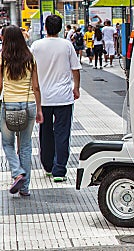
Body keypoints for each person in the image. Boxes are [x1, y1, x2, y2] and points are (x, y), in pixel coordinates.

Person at [31, 15, 81, 183]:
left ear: (45, 28)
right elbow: (75, 69)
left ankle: (47, 166)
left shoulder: (36, 46)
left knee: (45, 133)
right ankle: (59, 170)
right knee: (62, 133)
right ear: (60, 28)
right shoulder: (67, 45)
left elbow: (31, 71)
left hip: (43, 99)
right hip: (63, 98)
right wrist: (76, 88)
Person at [0, 25, 43, 196]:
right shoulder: (30, 57)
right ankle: (24, 189)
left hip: (8, 104)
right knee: (25, 146)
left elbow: (0, 85)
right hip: (29, 104)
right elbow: (36, 86)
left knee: (7, 144)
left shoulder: (2, 58)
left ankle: (17, 172)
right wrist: (39, 109)